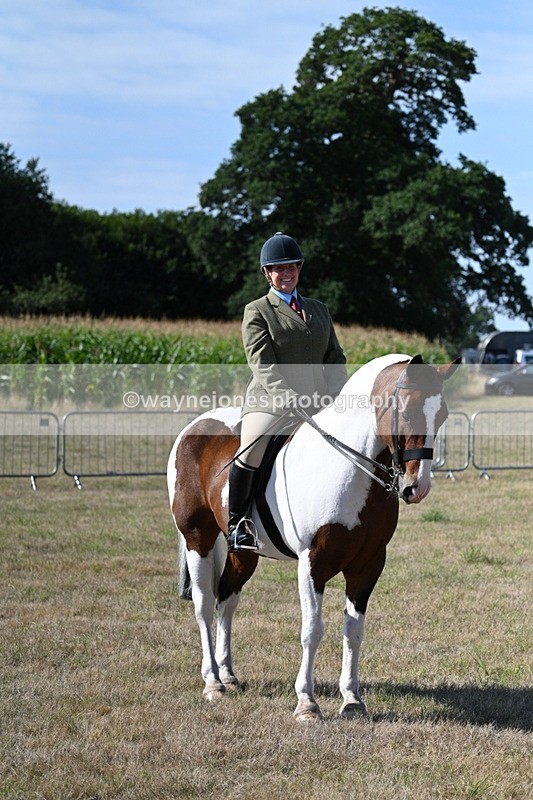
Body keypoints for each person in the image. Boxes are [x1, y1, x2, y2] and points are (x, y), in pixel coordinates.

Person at [227, 231, 348, 550]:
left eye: (291, 266)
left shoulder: (319, 309)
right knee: (250, 449)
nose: (286, 273)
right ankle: (238, 523)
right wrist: (290, 400)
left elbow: (334, 356)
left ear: (299, 269)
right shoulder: (257, 311)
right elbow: (262, 364)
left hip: (318, 402)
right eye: (279, 268)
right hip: (270, 403)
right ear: (267, 273)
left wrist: (337, 396)